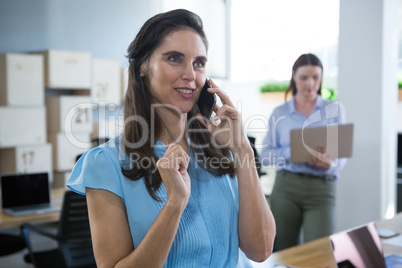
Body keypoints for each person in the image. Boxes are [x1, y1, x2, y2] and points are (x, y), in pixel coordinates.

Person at [67, 9, 275, 267]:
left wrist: (243, 149)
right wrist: (175, 204)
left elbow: (261, 250)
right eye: (175, 59)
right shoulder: (106, 164)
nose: (190, 75)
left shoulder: (222, 150)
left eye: (198, 63)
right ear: (143, 66)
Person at [260, 53, 346, 251]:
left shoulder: (334, 109)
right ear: (294, 77)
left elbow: (340, 157)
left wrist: (330, 163)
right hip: (286, 187)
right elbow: (265, 155)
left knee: (319, 252)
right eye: (304, 77)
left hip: (322, 189)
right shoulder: (279, 113)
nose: (310, 84)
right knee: (284, 252)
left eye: (316, 77)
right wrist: (295, 150)